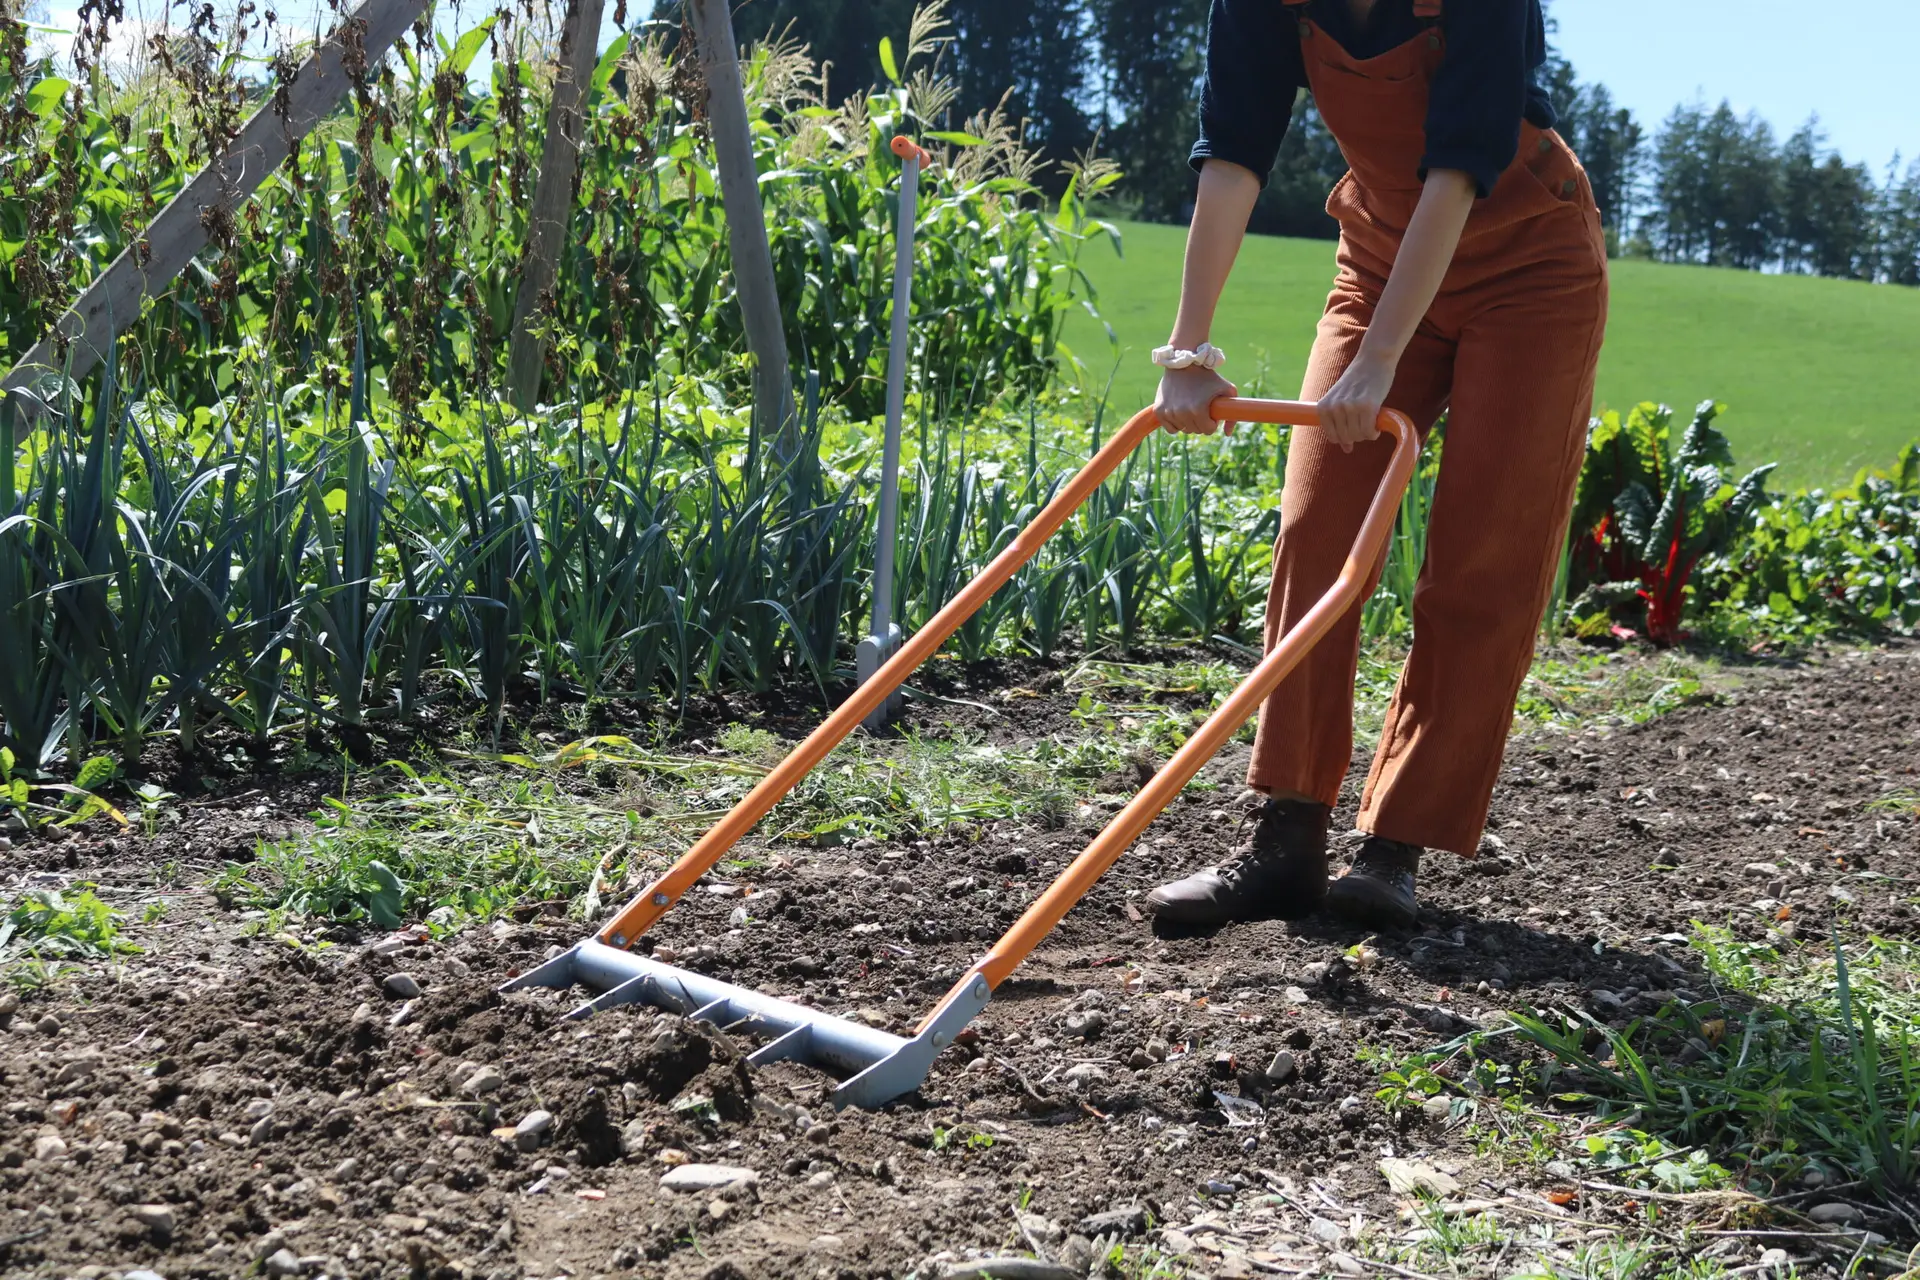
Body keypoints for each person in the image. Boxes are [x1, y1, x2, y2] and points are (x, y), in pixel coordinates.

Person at [1145, 0, 1608, 930]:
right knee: (1317, 532)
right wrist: (1188, 349)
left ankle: (1395, 851)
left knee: (1482, 563)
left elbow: (1460, 162)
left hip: (1530, 268)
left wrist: (1383, 357)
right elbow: (1234, 147)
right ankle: (1286, 840)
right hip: (1381, 252)